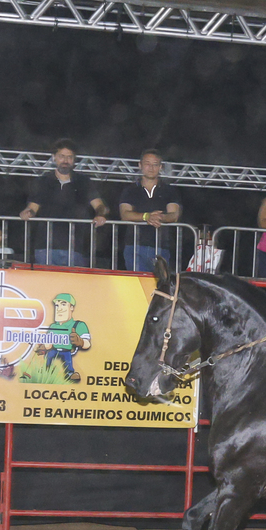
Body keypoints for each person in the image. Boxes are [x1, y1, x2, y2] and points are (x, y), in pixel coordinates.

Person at [19, 138, 108, 267]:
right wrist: (27, 212)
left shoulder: (83, 182)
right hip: (45, 246)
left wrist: (100, 215)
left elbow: (101, 206)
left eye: (69, 157)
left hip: (75, 247)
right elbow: (32, 207)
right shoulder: (43, 181)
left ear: (74, 160)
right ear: (54, 157)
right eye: (61, 156)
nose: (65, 160)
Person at [119, 149, 183, 272]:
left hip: (161, 246)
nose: (151, 168)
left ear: (160, 167)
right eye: (147, 164)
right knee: (137, 282)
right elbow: (125, 214)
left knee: (160, 283)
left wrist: (161, 217)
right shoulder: (130, 190)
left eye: (155, 164)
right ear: (140, 165)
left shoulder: (169, 191)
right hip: (134, 246)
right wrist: (146, 217)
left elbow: (174, 214)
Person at [34, 293, 90, 382]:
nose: (59, 309)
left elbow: (87, 344)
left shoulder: (78, 325)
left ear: (71, 307)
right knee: (48, 357)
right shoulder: (53, 326)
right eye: (57, 305)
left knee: (68, 361)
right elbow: (49, 343)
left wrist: (81, 342)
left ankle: (70, 373)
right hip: (54, 350)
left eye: (63, 304)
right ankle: (46, 370)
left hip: (66, 350)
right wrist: (43, 347)